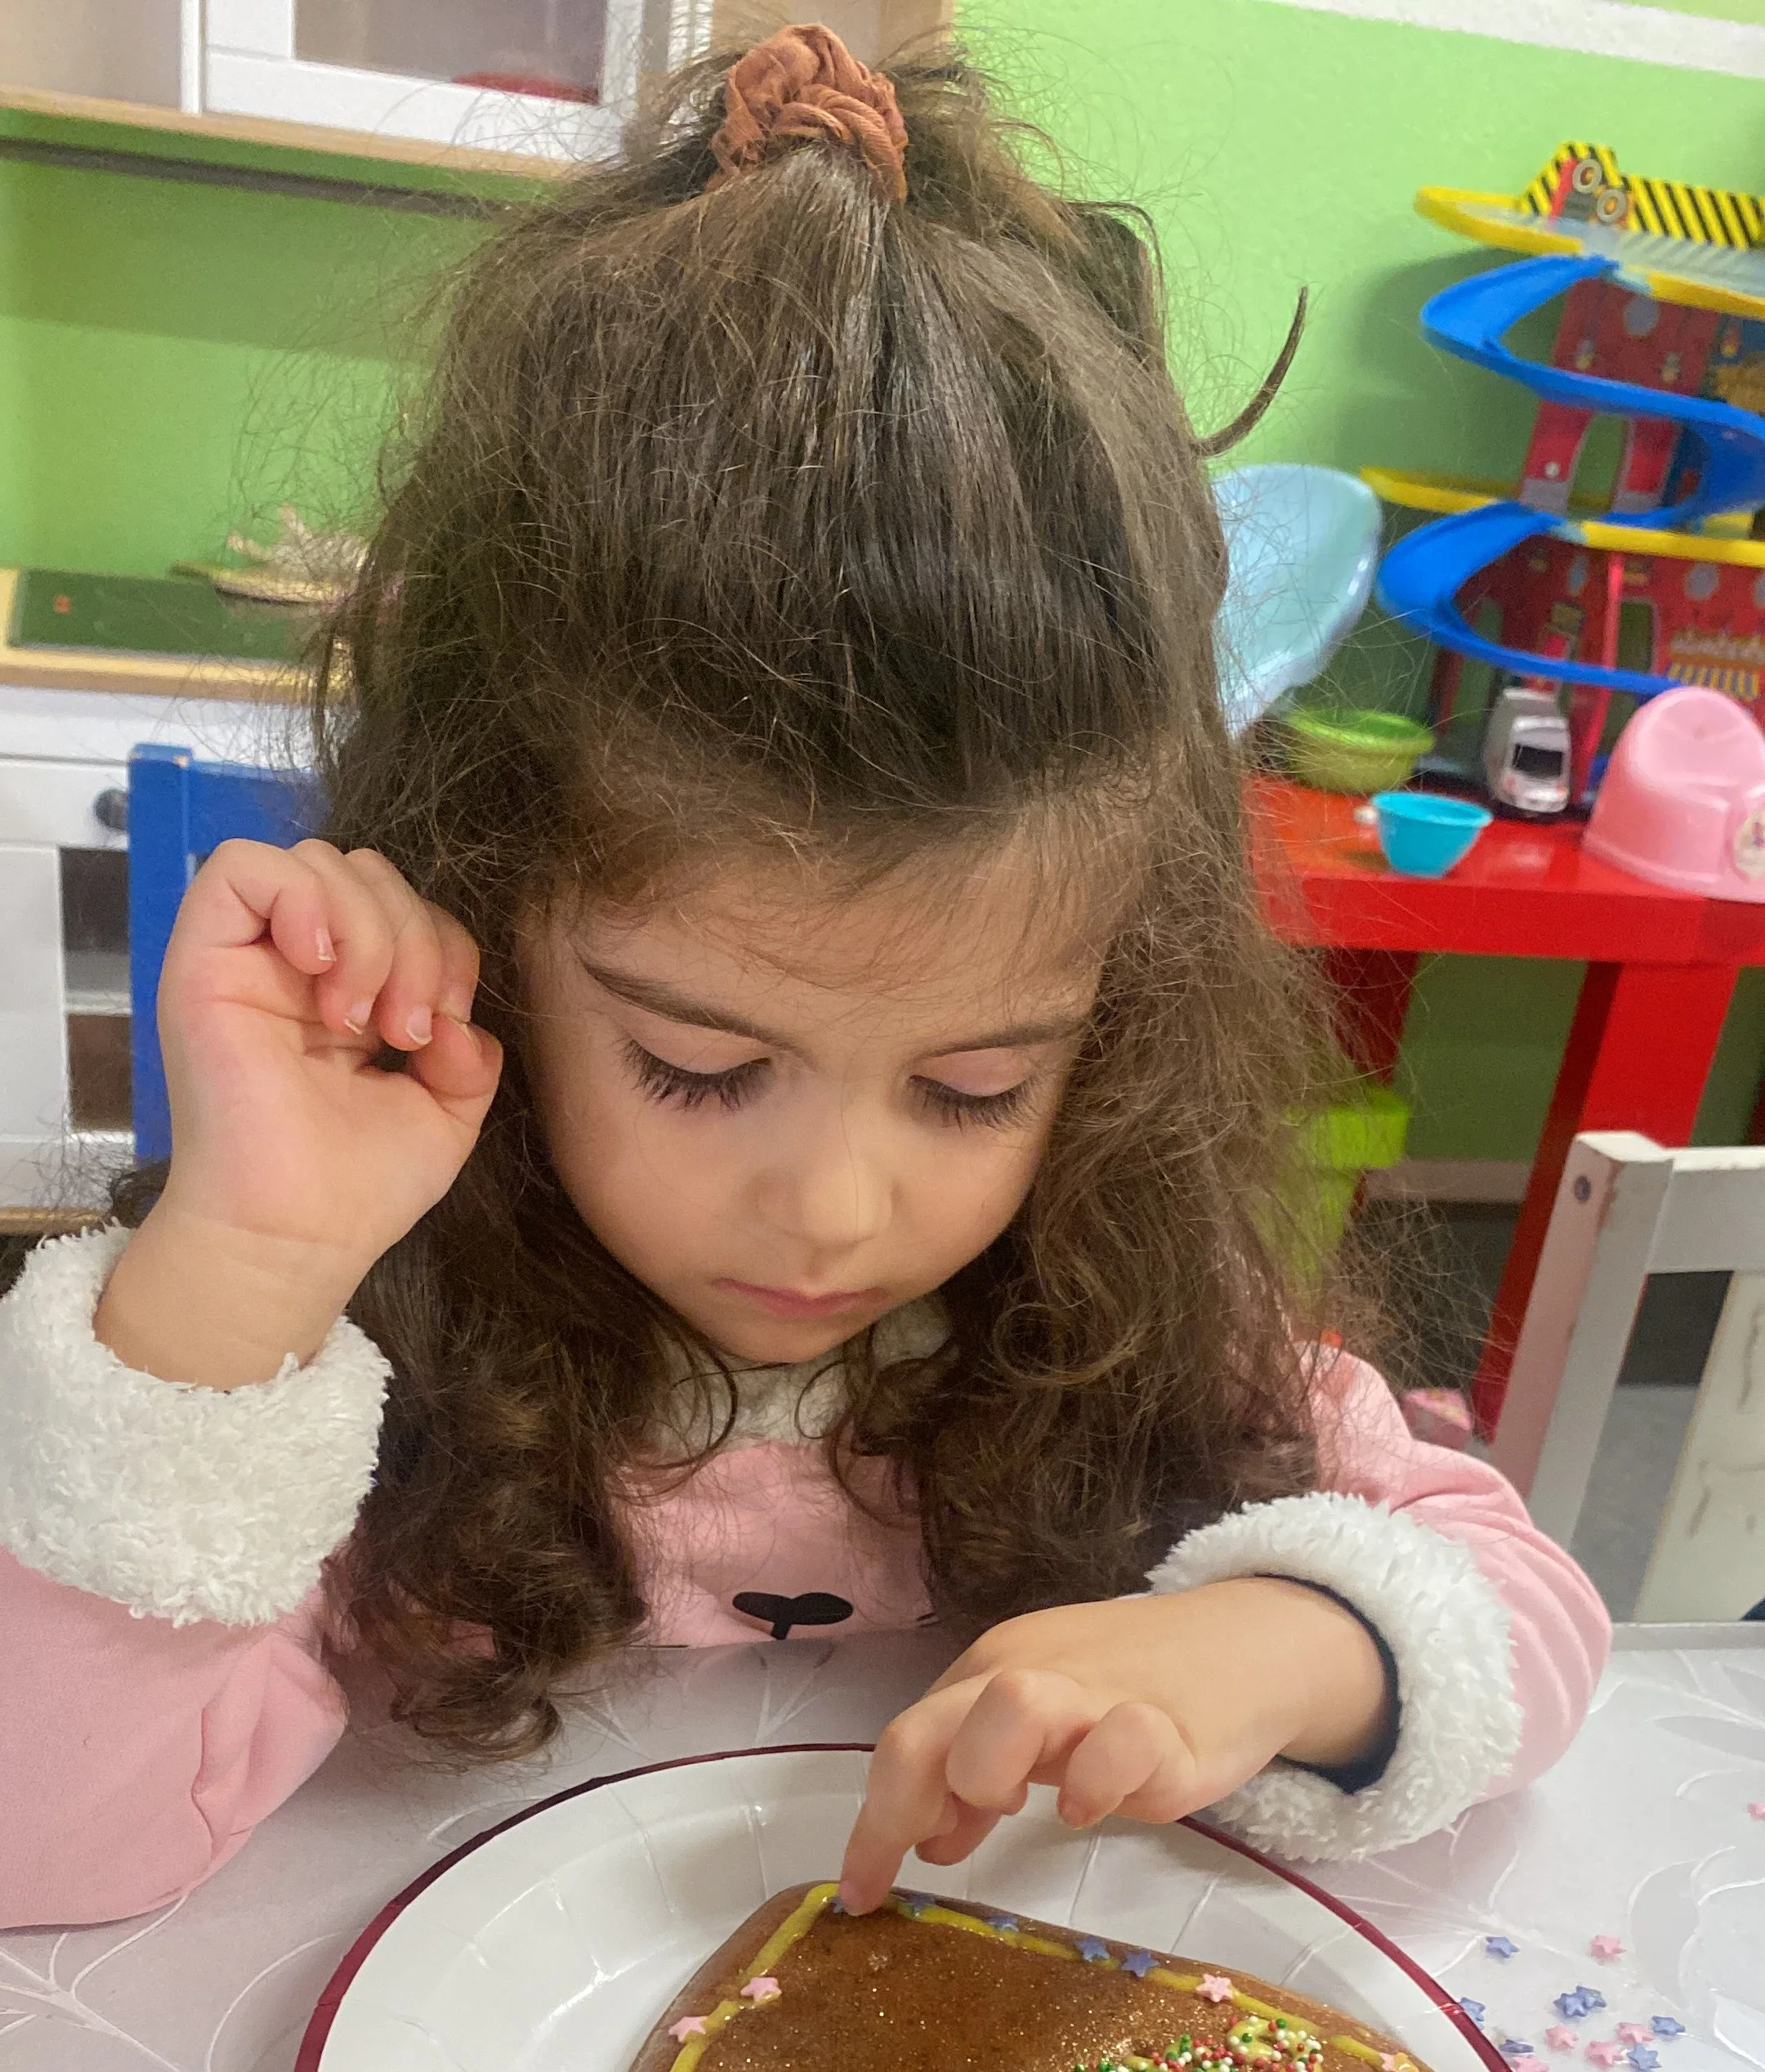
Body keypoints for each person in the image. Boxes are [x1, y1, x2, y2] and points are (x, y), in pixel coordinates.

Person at [0, 26, 1606, 1934]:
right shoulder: (368, 1358)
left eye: (975, 1087)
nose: (842, 1212)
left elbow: (1530, 1614)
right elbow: (47, 1844)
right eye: (695, 1065)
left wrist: (1277, 1648)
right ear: (491, 928)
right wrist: (247, 1272)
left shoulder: (1126, 1320)